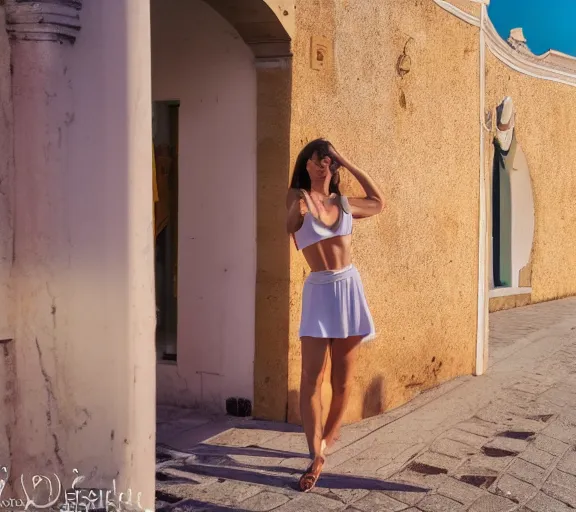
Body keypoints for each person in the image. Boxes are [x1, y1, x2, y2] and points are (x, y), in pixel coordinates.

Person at [286, 138, 385, 492]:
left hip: (348, 290)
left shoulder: (343, 203)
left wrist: (347, 158)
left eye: (327, 160)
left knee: (342, 381)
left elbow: (379, 202)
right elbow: (288, 226)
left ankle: (327, 439)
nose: (321, 164)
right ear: (306, 165)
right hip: (318, 291)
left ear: (334, 166)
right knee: (312, 376)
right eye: (315, 160)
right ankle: (316, 454)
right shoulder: (296, 197)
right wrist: (296, 213)